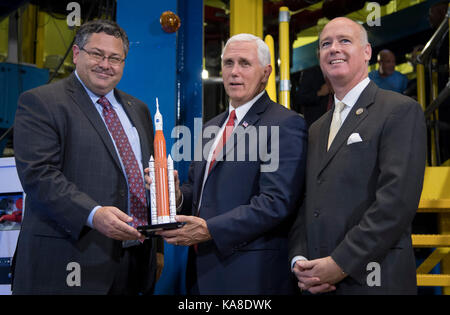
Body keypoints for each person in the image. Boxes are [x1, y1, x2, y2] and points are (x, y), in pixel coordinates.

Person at [149, 33, 308, 294]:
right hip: (201, 272)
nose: (234, 72)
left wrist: (210, 230)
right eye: (228, 63)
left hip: (251, 276)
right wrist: (176, 195)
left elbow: (276, 202)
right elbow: (199, 194)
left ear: (266, 72)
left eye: (245, 64)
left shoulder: (284, 123)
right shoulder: (212, 127)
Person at [12, 20, 161, 295]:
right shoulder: (41, 102)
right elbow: (39, 175)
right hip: (68, 259)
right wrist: (93, 215)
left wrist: (158, 238)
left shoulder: (137, 109)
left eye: (115, 58)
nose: (106, 64)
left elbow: (141, 177)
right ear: (77, 54)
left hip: (133, 261)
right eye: (97, 54)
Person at [289, 17, 426, 295]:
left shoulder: (400, 110)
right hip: (318, 283)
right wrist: (300, 259)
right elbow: (308, 202)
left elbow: (396, 203)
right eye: (325, 44)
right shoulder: (317, 128)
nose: (334, 48)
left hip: (375, 280)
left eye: (344, 41)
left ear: (367, 53)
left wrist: (340, 263)